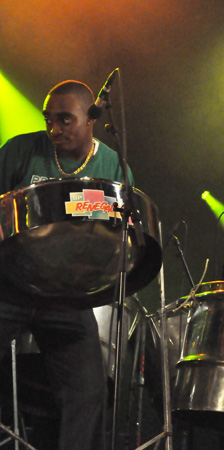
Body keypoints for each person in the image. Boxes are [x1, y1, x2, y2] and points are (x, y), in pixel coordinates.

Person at [0, 80, 133, 450]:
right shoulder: (21, 151)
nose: (54, 129)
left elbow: (121, 231)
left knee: (88, 391)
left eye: (65, 120)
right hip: (11, 283)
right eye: (48, 120)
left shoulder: (111, 165)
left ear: (91, 119)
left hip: (65, 294)